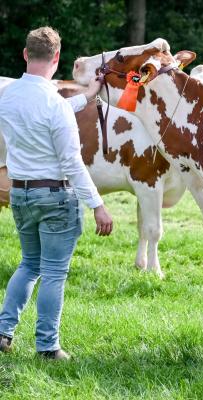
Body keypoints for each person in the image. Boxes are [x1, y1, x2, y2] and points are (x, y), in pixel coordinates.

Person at [0, 26, 113, 360]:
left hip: (20, 194)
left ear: (24, 54)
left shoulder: (7, 96)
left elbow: (47, 110)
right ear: (57, 58)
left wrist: (88, 95)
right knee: (52, 272)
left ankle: (3, 332)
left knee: (28, 264)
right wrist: (98, 205)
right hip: (55, 197)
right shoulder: (55, 104)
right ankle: (47, 346)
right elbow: (72, 162)